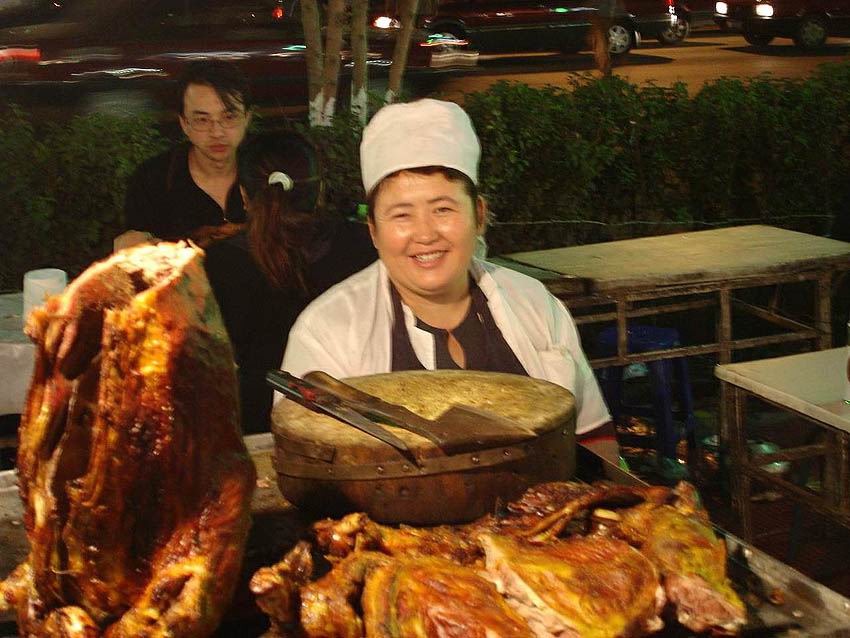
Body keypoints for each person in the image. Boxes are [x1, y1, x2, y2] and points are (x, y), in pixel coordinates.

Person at [282, 99, 620, 464]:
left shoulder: (536, 304)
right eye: (402, 215)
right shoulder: (328, 332)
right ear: (374, 231)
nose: (425, 234)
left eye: (443, 209)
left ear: (479, 215)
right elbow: (306, 466)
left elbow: (594, 439)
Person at [204, 131, 377, 434]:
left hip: (257, 422)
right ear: (319, 190)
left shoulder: (218, 261)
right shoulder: (363, 245)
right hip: (355, 415)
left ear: (243, 195)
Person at [116, 60, 251, 250]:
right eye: (202, 120)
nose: (217, 132)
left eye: (229, 117)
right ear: (184, 124)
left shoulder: (268, 169)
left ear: (247, 118)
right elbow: (136, 248)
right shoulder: (154, 180)